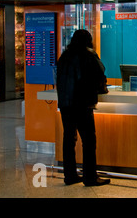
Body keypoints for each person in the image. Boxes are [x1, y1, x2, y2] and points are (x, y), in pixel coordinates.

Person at [56, 29, 110, 186]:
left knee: (69, 139)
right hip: (82, 104)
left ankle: (70, 175)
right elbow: (101, 73)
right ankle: (90, 177)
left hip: (65, 104)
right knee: (88, 140)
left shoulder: (64, 56)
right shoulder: (88, 55)